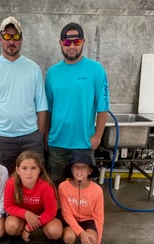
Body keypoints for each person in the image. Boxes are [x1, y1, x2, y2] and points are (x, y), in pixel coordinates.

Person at [0, 16, 48, 175]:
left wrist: (39, 135)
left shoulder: (33, 68)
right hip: (3, 139)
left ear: (21, 39)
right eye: (7, 36)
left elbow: (42, 106)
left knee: (33, 180)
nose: (11, 41)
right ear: (0, 38)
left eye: (16, 37)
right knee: (3, 181)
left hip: (31, 137)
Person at [45, 21, 110, 187]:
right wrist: (46, 134)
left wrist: (98, 135)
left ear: (83, 42)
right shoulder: (52, 73)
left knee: (83, 188)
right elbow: (49, 109)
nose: (71, 46)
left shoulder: (96, 70)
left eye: (76, 42)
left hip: (83, 143)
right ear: (60, 43)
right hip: (57, 143)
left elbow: (103, 107)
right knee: (56, 186)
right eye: (67, 42)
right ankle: (58, 214)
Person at [4, 150, 63, 242]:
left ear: (39, 170)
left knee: (55, 231)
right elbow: (8, 206)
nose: (29, 173)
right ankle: (18, 238)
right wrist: (26, 214)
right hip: (21, 217)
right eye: (24, 168)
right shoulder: (11, 183)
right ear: (17, 170)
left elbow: (51, 212)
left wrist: (29, 227)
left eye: (33, 168)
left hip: (42, 217)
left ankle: (39, 236)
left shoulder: (46, 186)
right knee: (11, 226)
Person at [58, 151, 104, 244]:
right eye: (76, 167)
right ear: (71, 170)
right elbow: (66, 213)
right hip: (70, 219)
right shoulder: (63, 187)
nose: (79, 170)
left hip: (88, 220)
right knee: (69, 237)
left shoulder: (97, 190)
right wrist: (81, 233)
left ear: (90, 171)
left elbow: (99, 216)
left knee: (92, 241)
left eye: (83, 167)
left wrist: (98, 240)